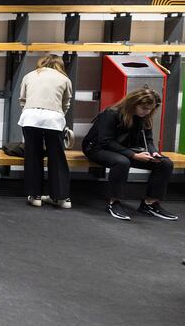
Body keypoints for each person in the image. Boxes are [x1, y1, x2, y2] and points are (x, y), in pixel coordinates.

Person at [82, 88, 177, 221]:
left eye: (150, 109)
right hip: (96, 148)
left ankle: (150, 203)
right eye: (144, 108)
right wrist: (133, 155)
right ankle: (113, 202)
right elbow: (105, 141)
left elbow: (148, 140)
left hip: (125, 149)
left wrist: (154, 152)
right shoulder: (111, 113)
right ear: (133, 104)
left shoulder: (145, 117)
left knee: (165, 163)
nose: (147, 112)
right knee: (122, 162)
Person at [18, 54, 73, 208]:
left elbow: (22, 99)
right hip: (54, 119)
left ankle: (35, 196)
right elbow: (66, 103)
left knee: (33, 155)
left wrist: (30, 113)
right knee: (57, 158)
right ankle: (62, 198)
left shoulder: (29, 76)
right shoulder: (64, 79)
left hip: (30, 118)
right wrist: (58, 116)